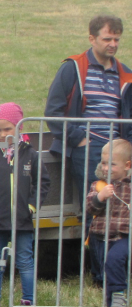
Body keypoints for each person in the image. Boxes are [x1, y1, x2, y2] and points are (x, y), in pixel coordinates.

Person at [45, 15, 132, 284]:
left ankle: (116, 272)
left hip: (119, 150)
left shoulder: (125, 72)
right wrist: (77, 139)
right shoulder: (73, 67)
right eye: (107, 38)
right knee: (96, 210)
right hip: (90, 150)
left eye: (117, 39)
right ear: (91, 38)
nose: (113, 44)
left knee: (122, 211)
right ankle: (99, 275)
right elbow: (53, 110)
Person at [0, 103, 51, 307]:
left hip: (22, 221)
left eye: (8, 129)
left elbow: (43, 182)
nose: (3, 134)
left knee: (25, 260)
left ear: (19, 128)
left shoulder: (30, 154)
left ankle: (27, 302)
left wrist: (32, 206)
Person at [85, 138, 131, 307]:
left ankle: (119, 295)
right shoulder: (98, 185)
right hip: (100, 235)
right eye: (103, 163)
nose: (105, 168)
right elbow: (89, 208)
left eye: (112, 164)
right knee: (107, 268)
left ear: (127, 165)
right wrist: (100, 197)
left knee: (114, 260)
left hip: (123, 236)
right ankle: (113, 305)